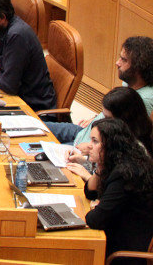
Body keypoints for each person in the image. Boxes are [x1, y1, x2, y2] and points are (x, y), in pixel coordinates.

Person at [65, 119, 153, 264]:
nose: (89, 146)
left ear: (111, 145)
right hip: (120, 231)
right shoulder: (119, 160)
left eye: (95, 141)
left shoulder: (124, 173)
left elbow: (94, 220)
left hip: (125, 250)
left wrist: (99, 207)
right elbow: (91, 192)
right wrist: (99, 165)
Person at [48, 36, 153, 148]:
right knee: (32, 125)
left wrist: (87, 152)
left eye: (124, 60)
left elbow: (118, 140)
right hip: (82, 132)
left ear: (138, 67)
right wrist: (97, 117)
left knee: (37, 152)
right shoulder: (130, 82)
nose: (117, 63)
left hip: (87, 147)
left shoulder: (142, 100)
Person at [59, 88, 153, 162]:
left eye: (107, 117)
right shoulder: (117, 135)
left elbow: (106, 179)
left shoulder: (133, 150)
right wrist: (84, 160)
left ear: (123, 119)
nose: (102, 121)